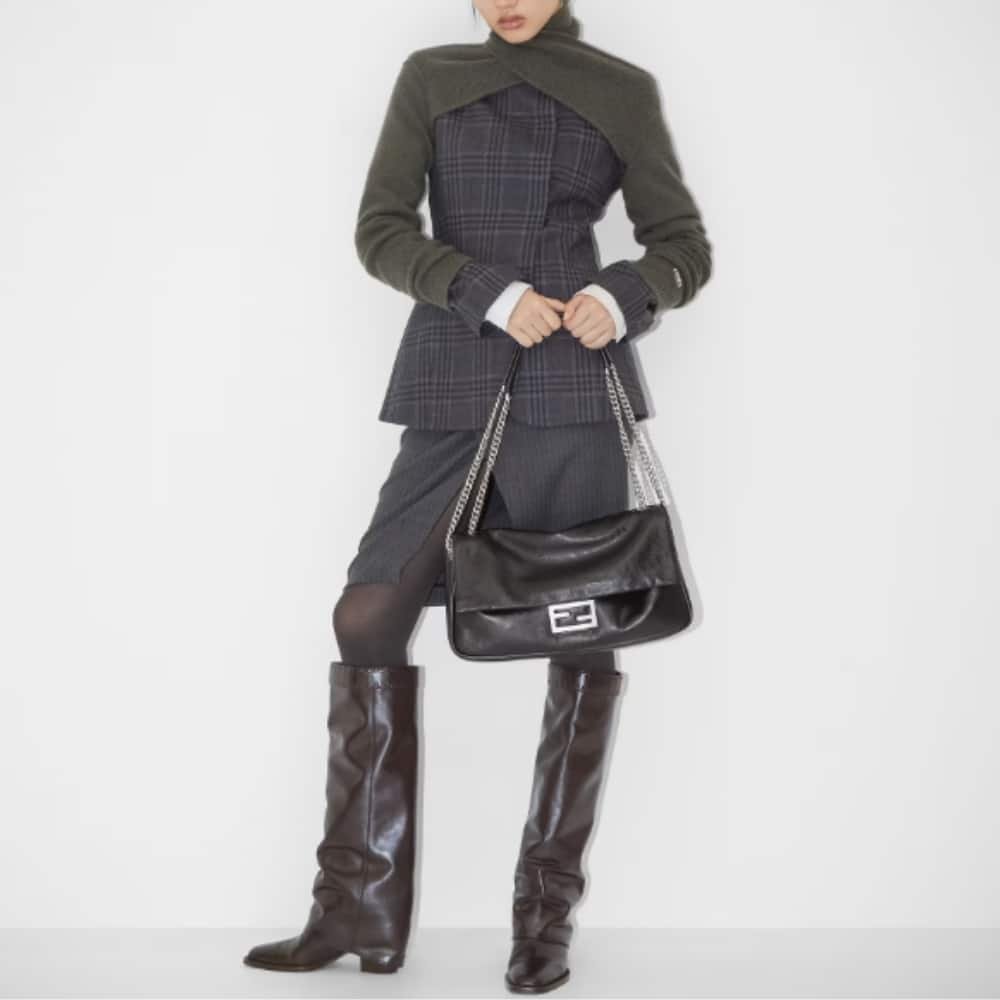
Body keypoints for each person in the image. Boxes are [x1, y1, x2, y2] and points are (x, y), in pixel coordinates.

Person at [242, 0, 712, 993]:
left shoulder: (621, 89)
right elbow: (379, 232)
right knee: (367, 614)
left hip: (572, 389)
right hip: (453, 377)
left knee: (583, 636)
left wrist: (623, 294)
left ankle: (544, 923)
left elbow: (681, 244)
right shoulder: (432, 75)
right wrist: (483, 291)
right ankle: (357, 909)